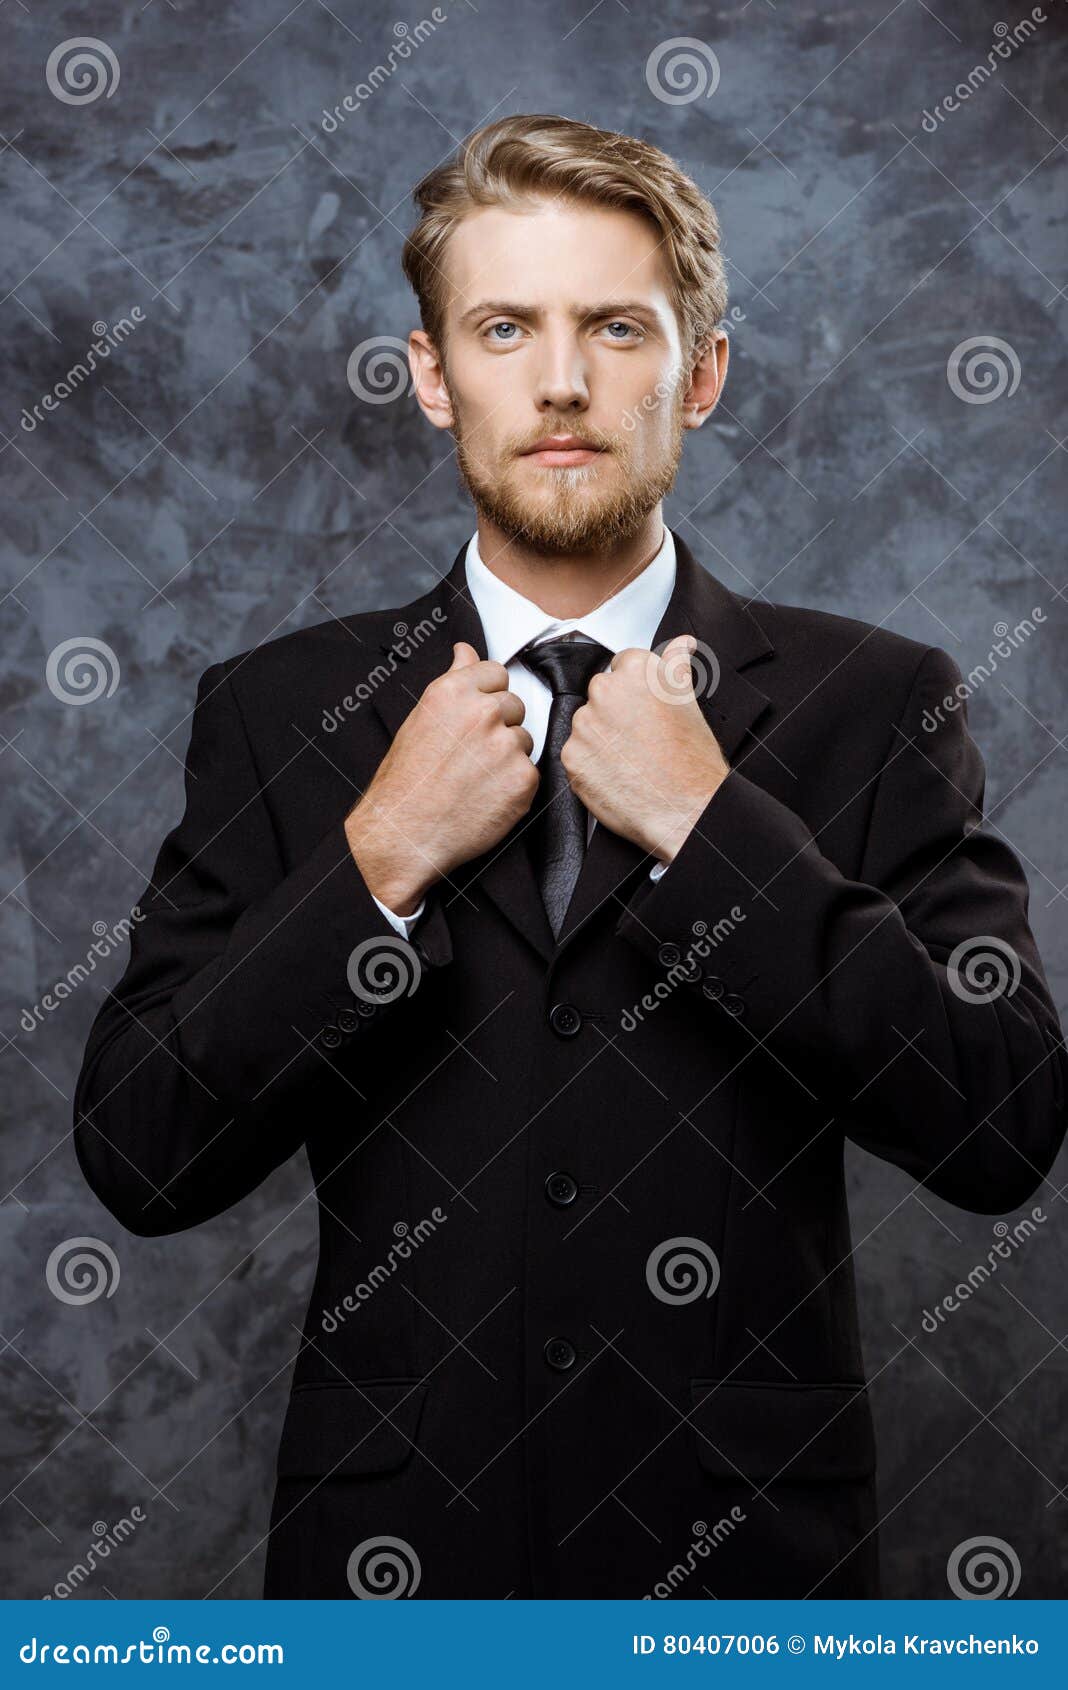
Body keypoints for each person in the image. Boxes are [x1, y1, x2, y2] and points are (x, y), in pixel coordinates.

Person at [74, 114, 1067, 1600]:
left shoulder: (878, 703)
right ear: (429, 376)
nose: (558, 381)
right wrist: (381, 855)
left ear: (704, 372)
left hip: (747, 1574)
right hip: (391, 1576)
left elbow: (1000, 1123)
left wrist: (712, 834)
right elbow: (142, 1149)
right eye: (501, 327)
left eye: (617, 326)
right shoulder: (283, 713)